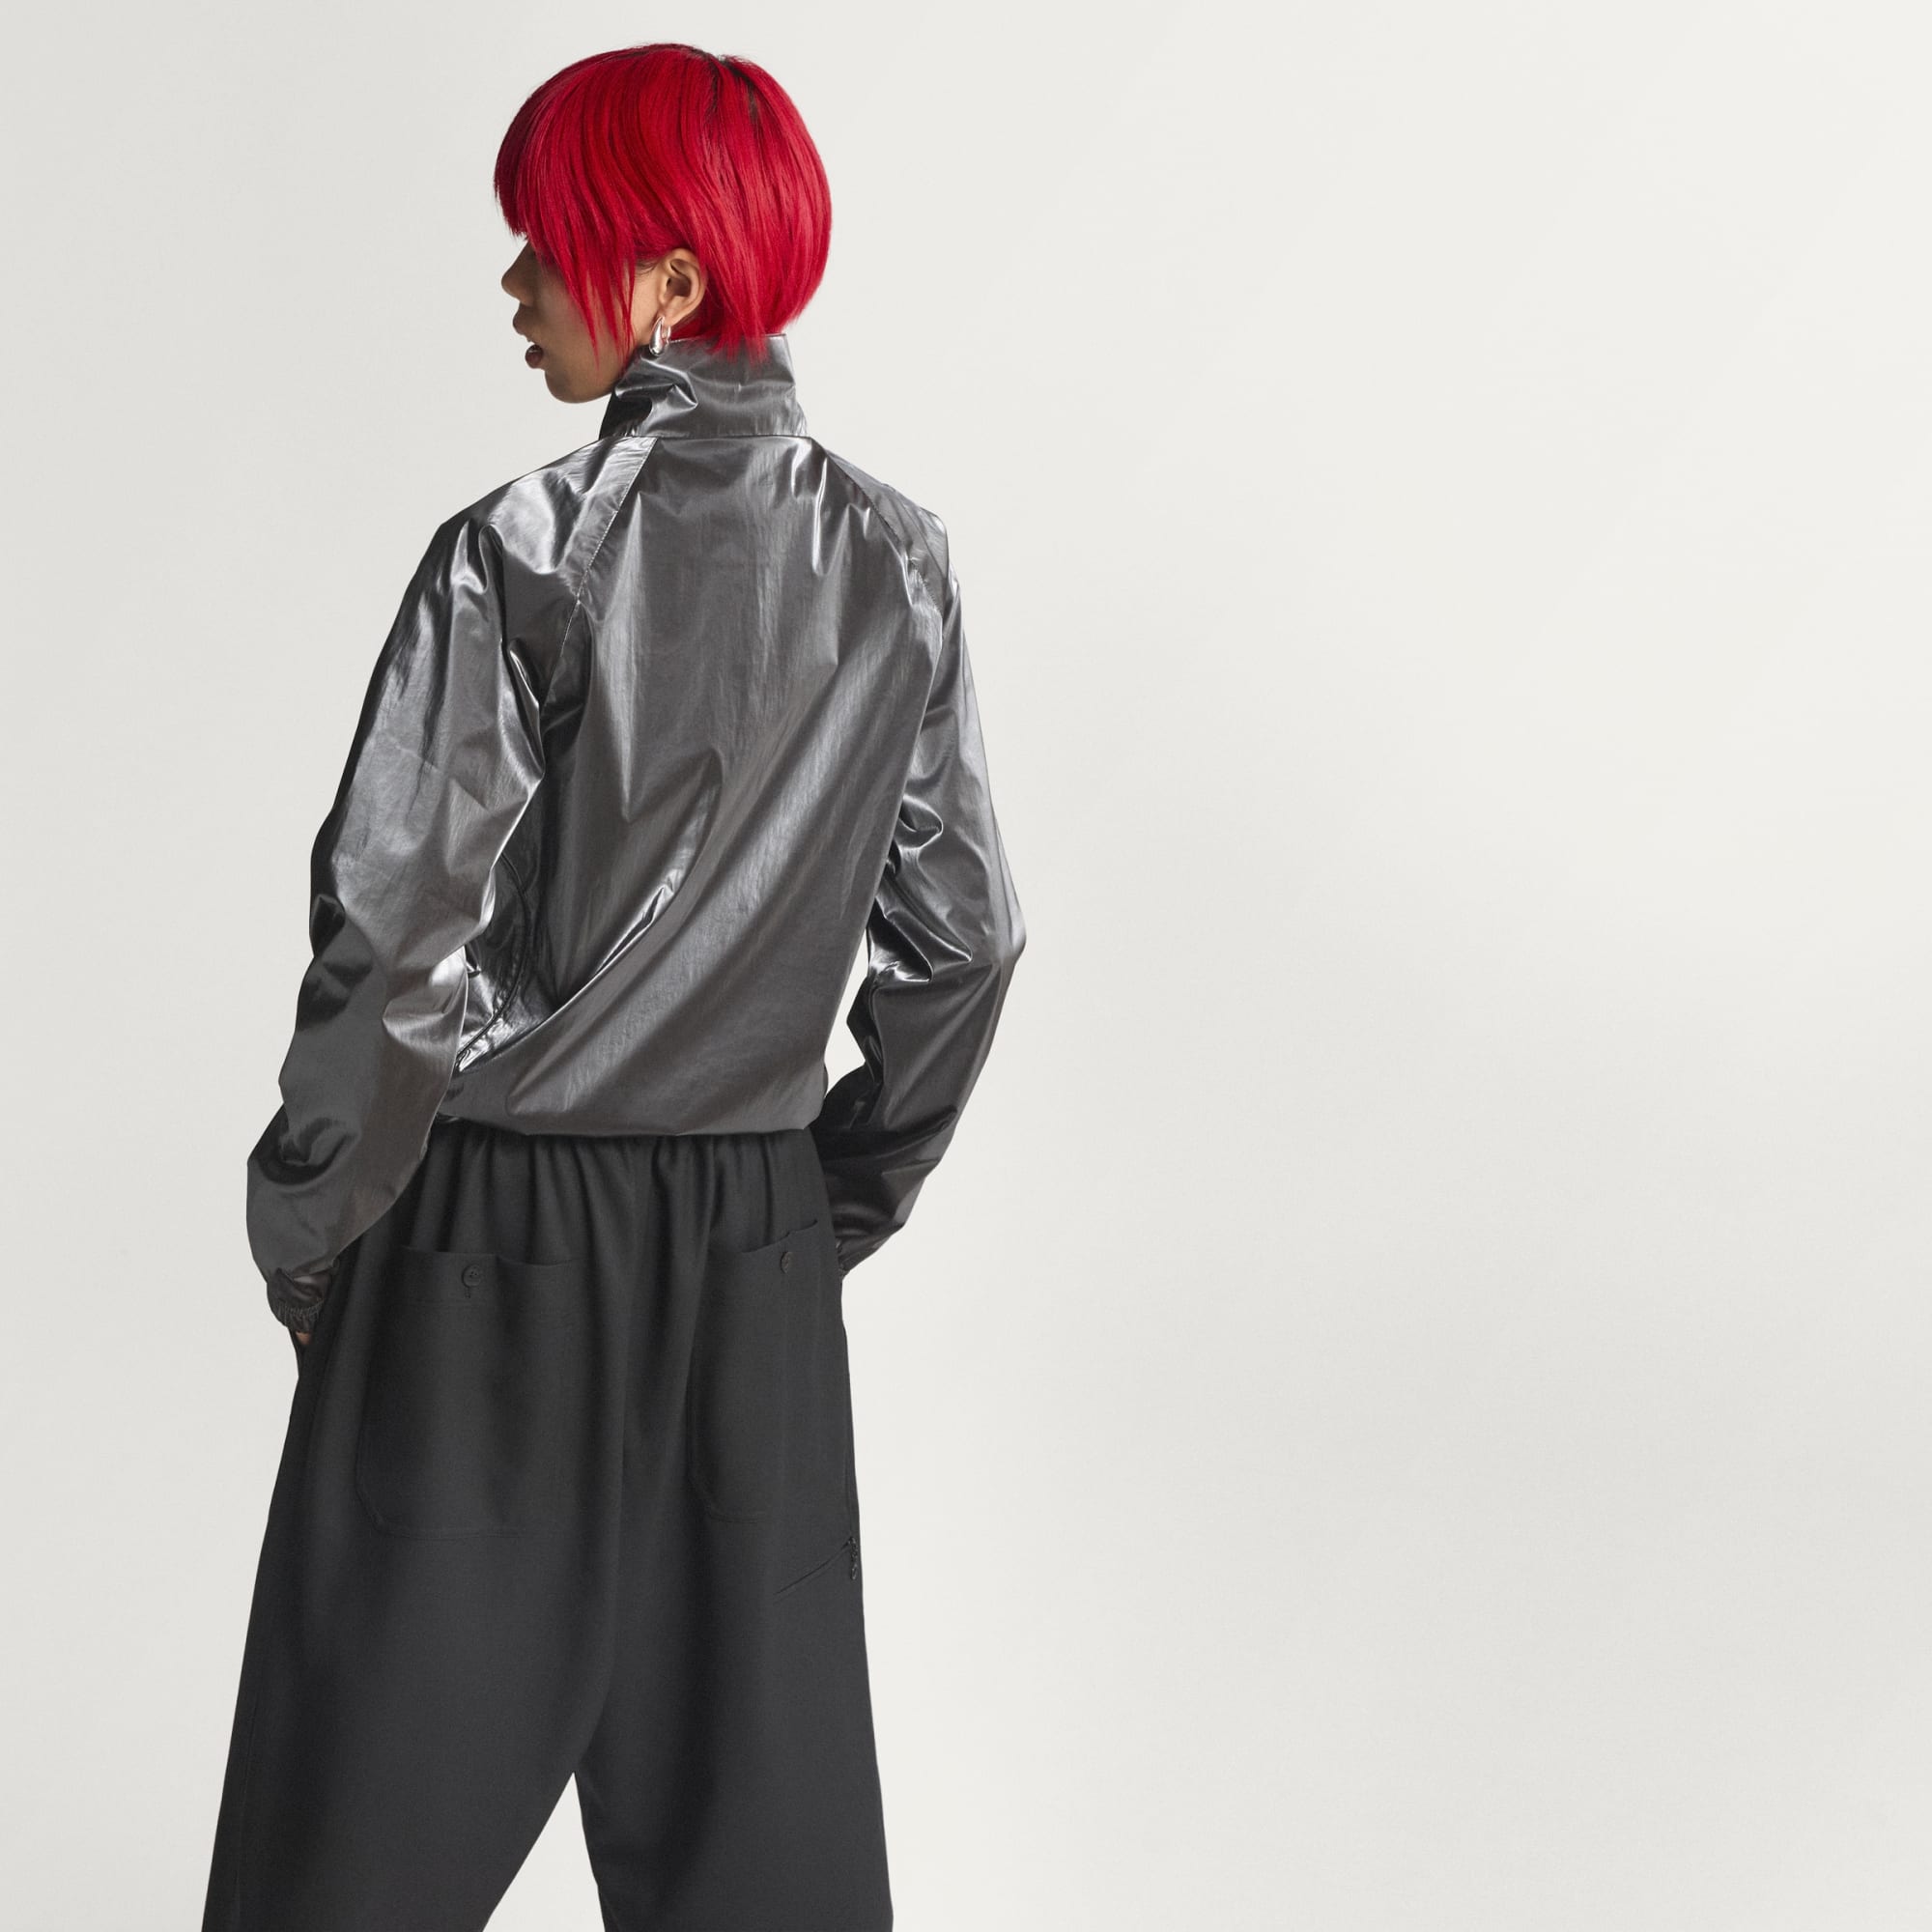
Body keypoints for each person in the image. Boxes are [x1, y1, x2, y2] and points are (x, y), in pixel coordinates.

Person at [201, 42, 1024, 1932]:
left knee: (348, 1858)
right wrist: (823, 1202)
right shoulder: (899, 564)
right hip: (750, 1252)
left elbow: (392, 941)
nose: (515, 284)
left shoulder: (521, 554)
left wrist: (313, 1230)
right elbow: (964, 944)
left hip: (493, 1244)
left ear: (666, 279)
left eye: (545, 242)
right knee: (765, 1875)